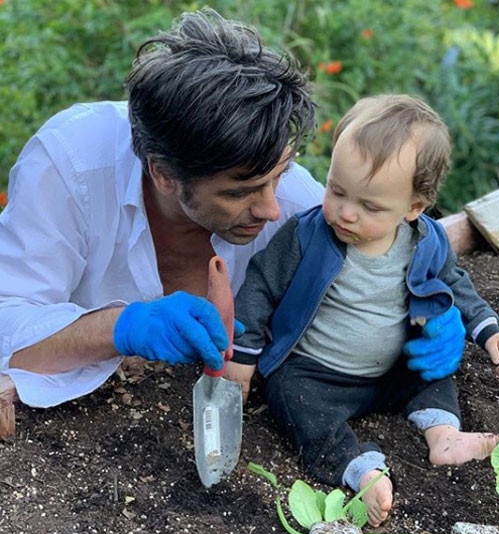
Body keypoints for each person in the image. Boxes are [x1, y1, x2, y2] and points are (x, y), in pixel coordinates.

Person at [0, 8, 325, 408]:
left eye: (279, 175)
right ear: (164, 174)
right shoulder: (70, 165)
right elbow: (7, 327)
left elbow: (385, 261)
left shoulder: (298, 203)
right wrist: (123, 328)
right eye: (241, 192)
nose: (271, 209)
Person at [225, 94, 499, 527]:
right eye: (337, 190)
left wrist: (486, 327)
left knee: (433, 369)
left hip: (391, 369)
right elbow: (260, 287)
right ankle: (357, 466)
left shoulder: (426, 240)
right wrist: (243, 356)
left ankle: (444, 434)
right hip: (318, 372)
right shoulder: (306, 236)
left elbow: (455, 283)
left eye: (370, 207)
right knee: (292, 398)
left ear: (413, 208)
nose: (346, 213)